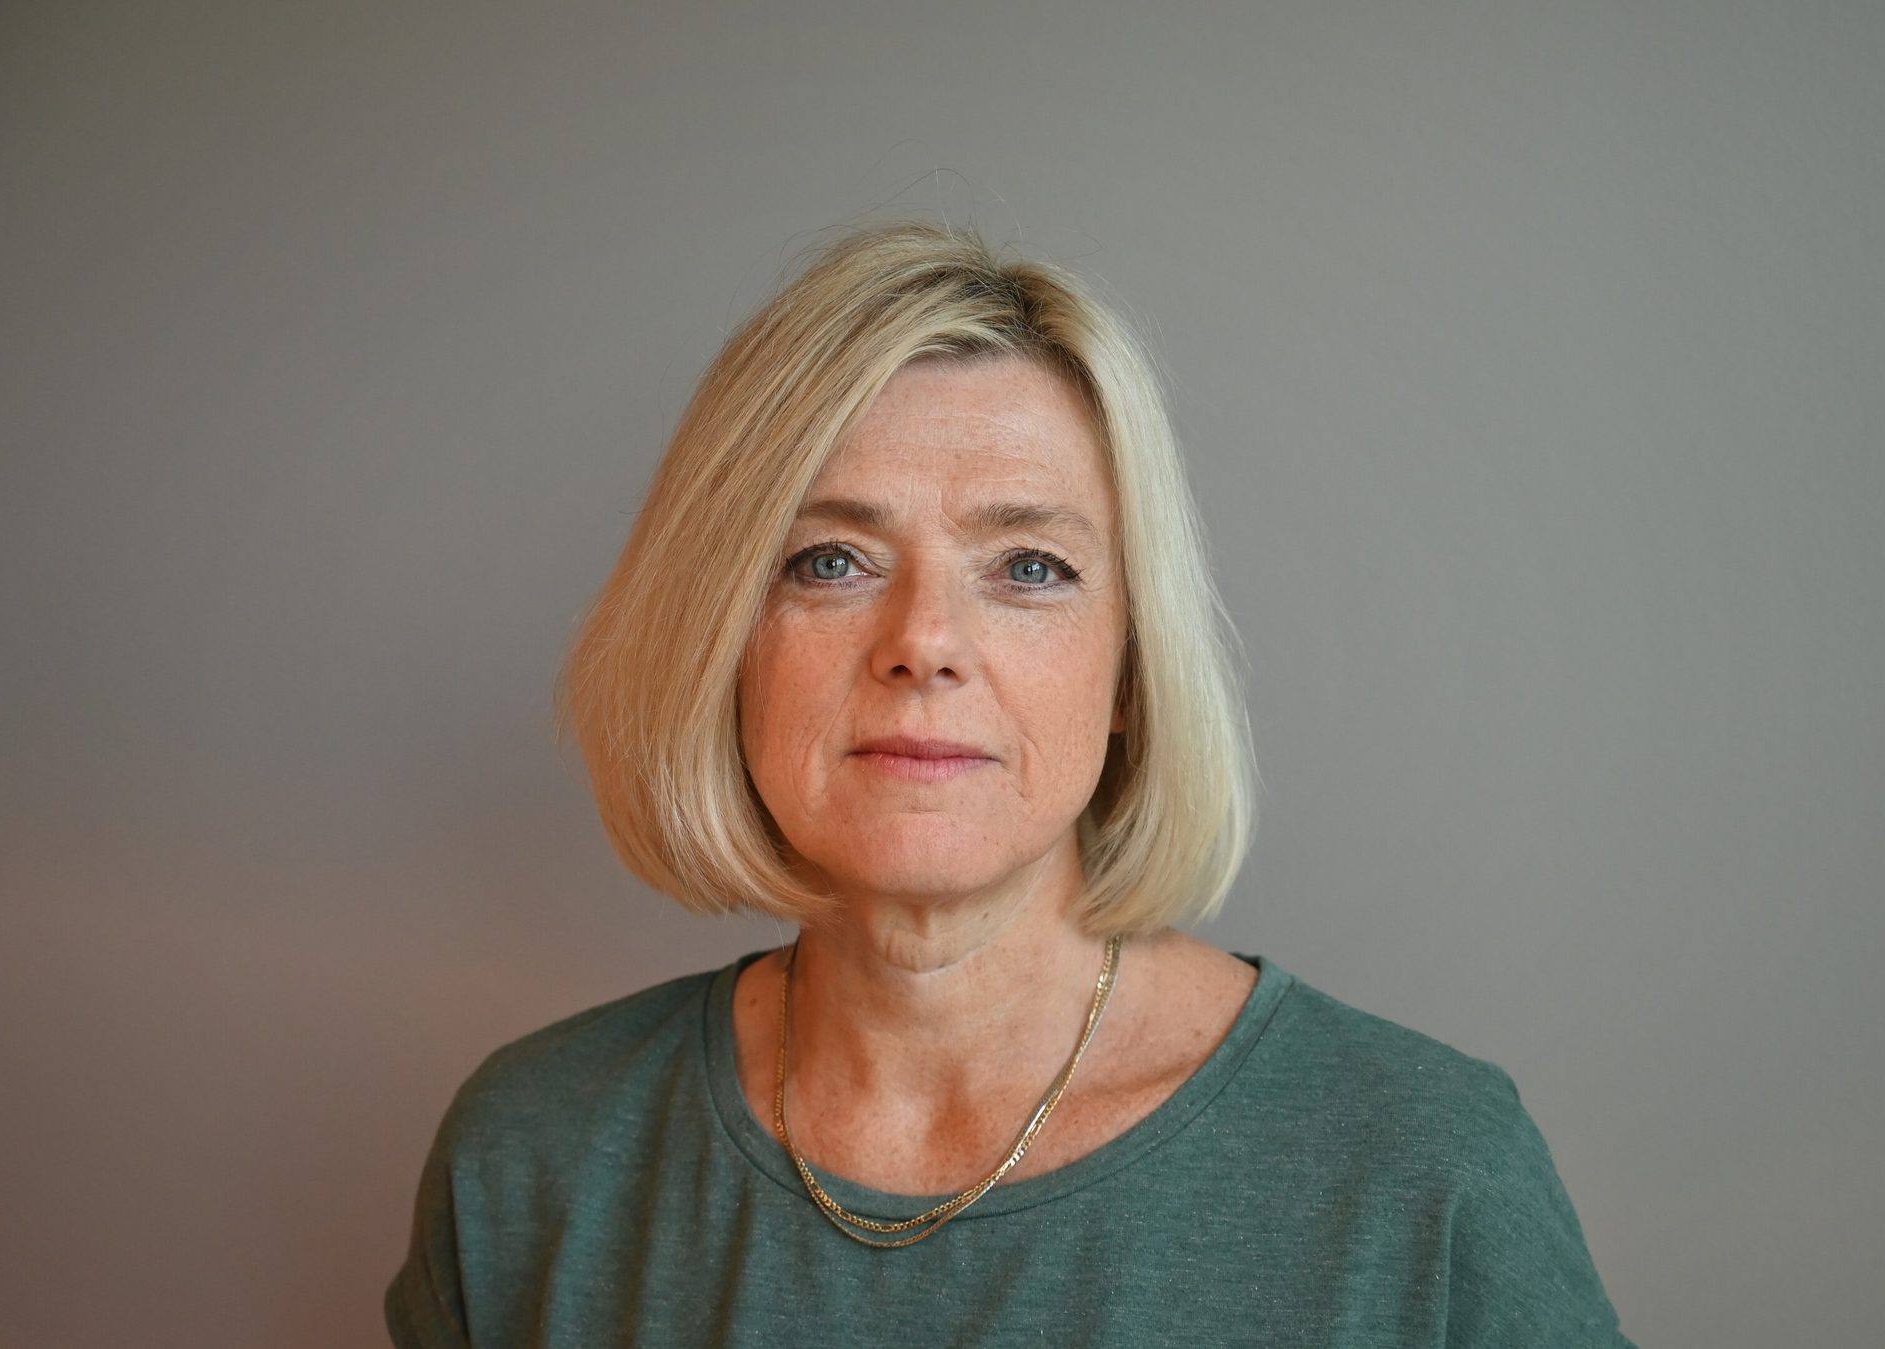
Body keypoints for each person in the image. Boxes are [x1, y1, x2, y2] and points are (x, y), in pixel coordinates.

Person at [384, 221, 1635, 1347]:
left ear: (1131, 667)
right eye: (830, 559)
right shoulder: (534, 1155)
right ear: (722, 642)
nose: (923, 641)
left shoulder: (1426, 1171)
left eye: (1029, 565)